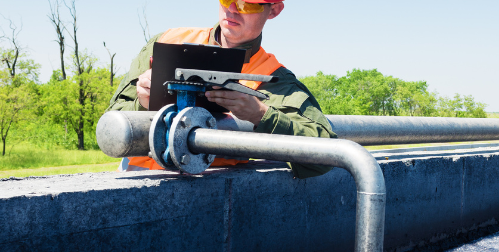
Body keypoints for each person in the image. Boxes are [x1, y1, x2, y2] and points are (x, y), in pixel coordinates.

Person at [107, 0, 335, 178]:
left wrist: (261, 115)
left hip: (207, 207)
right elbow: (110, 124)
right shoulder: (168, 41)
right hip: (133, 191)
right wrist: (141, 102)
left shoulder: (275, 79)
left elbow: (326, 154)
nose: (232, 9)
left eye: (247, 4)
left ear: (274, 10)